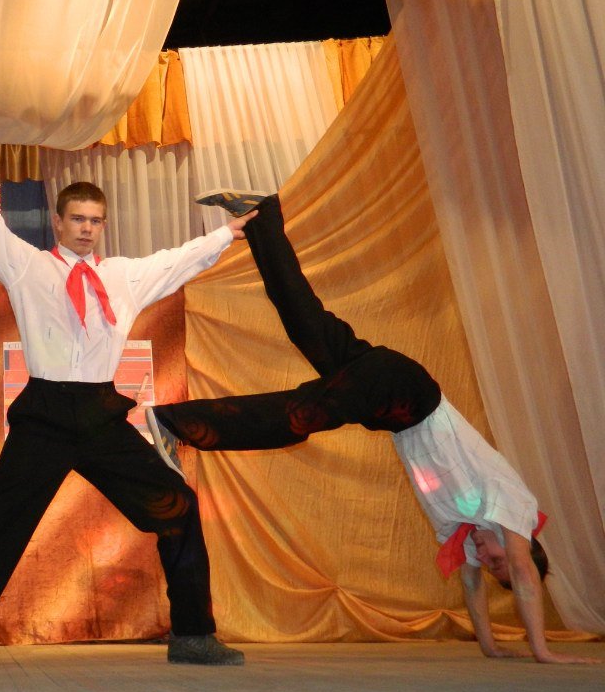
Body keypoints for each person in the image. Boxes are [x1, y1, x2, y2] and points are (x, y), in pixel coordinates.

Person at [146, 190, 597, 665]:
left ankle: (261, 217)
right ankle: (174, 421)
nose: (486, 559)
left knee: (302, 318)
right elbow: (525, 573)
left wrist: (490, 646)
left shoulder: (466, 526)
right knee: (300, 417)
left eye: (491, 567)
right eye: (498, 560)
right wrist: (542, 651)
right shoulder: (512, 507)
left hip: (387, 401)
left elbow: (471, 584)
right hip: (405, 393)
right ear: (520, 543)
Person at [0, 124, 254, 671]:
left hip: (99, 415)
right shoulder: (28, 266)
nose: (87, 229)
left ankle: (193, 634)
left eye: (95, 221)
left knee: (178, 506)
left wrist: (227, 233)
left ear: (103, 225)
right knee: (0, 527)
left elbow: (179, 259)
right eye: (78, 219)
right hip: (44, 415)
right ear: (59, 222)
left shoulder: (123, 276)